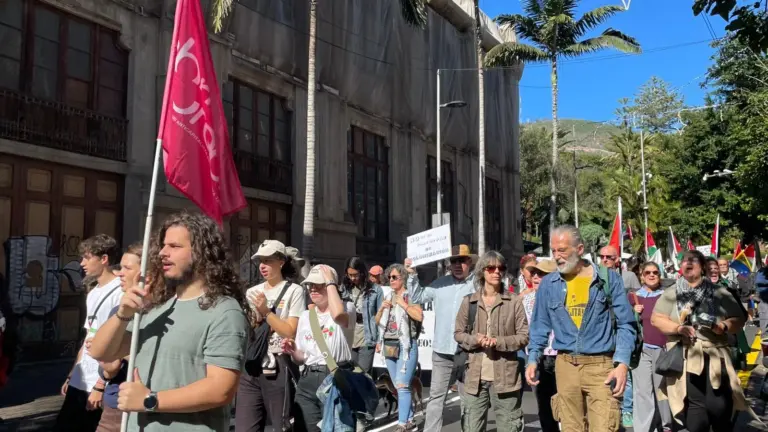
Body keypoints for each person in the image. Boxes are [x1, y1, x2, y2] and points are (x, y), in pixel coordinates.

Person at [89, 212, 250, 431]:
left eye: (174, 246)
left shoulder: (224, 311)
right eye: (163, 245)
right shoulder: (156, 306)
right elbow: (102, 352)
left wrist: (149, 400)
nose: (163, 253)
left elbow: (220, 389)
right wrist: (123, 313)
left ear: (202, 252)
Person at [526, 225, 636, 432]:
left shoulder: (607, 279)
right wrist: (533, 359)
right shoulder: (549, 284)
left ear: (579, 249)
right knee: (571, 428)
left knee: (604, 427)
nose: (557, 256)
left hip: (601, 367)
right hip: (565, 366)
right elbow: (539, 326)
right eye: (554, 251)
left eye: (562, 250)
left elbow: (626, 324)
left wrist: (621, 365)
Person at [651, 250, 753, 432]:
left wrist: (723, 326)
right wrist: (678, 329)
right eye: (684, 261)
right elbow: (656, 318)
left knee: (718, 406)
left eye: (693, 261)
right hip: (687, 357)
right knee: (695, 408)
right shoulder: (672, 292)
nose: (687, 264)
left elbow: (739, 318)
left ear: (703, 267)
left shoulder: (719, 292)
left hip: (715, 356)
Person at [55, 234, 123, 432]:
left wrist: (100, 385)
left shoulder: (119, 292)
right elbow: (89, 335)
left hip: (98, 381)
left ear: (104, 259)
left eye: (87, 257)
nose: (81, 263)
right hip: (82, 378)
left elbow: (119, 343)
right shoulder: (93, 292)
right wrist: (73, 374)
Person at [455, 251, 528, 432]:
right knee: (471, 428)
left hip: (506, 378)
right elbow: (458, 334)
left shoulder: (514, 302)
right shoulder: (469, 302)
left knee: (509, 427)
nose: (497, 272)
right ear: (482, 272)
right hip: (474, 378)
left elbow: (524, 336)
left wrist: (497, 341)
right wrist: (475, 339)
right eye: (491, 268)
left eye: (501, 268)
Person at [406, 244, 477, 432]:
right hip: (442, 351)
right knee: (436, 397)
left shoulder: (477, 285)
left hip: (468, 352)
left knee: (469, 399)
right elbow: (417, 296)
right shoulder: (440, 283)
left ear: (469, 262)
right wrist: (412, 275)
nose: (457, 265)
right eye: (454, 261)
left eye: (461, 260)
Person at [238, 240, 305, 432]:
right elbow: (249, 329)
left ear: (281, 261)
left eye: (268, 260)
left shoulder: (295, 291)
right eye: (260, 261)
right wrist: (256, 318)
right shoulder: (252, 292)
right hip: (251, 365)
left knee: (281, 425)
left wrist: (266, 312)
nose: (262, 266)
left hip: (278, 365)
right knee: (245, 427)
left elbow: (290, 330)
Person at [283, 265, 357, 432]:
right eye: (310, 285)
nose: (313, 289)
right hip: (308, 380)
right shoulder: (305, 316)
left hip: (335, 378)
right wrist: (293, 350)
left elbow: (338, 316)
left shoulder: (347, 308)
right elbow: (301, 357)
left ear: (332, 287)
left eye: (319, 285)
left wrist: (330, 281)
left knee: (336, 428)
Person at [95, 243, 145, 432]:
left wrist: (123, 353)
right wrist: (106, 370)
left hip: (142, 407)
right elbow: (109, 369)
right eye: (120, 267)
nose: (119, 273)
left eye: (127, 268)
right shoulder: (119, 310)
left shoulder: (161, 311)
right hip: (113, 406)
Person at [375, 264, 423, 432]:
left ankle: (402, 424)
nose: (391, 280)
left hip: (406, 345)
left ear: (403, 278)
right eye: (389, 277)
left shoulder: (411, 297)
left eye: (394, 277)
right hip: (389, 345)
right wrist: (382, 308)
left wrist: (402, 304)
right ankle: (410, 419)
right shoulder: (387, 295)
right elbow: (377, 321)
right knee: (397, 385)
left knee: (402, 385)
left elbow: (418, 315)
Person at [627, 262, 672, 432]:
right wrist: (633, 312)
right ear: (641, 275)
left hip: (664, 349)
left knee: (663, 390)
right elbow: (624, 323)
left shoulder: (668, 296)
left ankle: (666, 426)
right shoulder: (633, 297)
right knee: (642, 392)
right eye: (648, 272)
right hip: (642, 350)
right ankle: (643, 429)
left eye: (655, 272)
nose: (652, 275)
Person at [520, 259, 558, 432]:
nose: (535, 277)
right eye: (534, 273)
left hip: (561, 356)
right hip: (537, 358)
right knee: (544, 406)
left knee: (566, 405)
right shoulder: (525, 299)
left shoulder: (562, 296)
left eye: (541, 274)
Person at [342, 257, 383, 375]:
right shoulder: (345, 288)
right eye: (349, 275)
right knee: (350, 375)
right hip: (349, 337)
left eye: (356, 274)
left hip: (367, 337)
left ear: (362, 272)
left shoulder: (376, 290)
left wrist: (380, 340)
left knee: (363, 375)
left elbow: (381, 316)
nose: (353, 278)